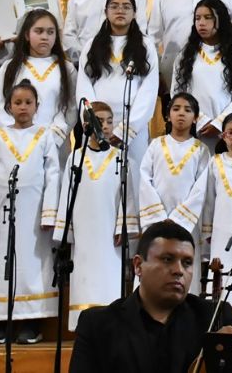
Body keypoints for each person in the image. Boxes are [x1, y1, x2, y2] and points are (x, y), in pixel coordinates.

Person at [69, 221, 232, 373]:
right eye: (167, 259)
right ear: (138, 266)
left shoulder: (214, 317)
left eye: (187, 263)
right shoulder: (97, 324)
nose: (178, 270)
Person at [0, 80, 62, 343]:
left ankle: (31, 322)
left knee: (33, 264)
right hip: (5, 212)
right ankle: (3, 321)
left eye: (28, 102)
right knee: (4, 263)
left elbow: (53, 176)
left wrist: (49, 213)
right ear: (8, 107)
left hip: (34, 216)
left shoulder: (45, 135)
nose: (23, 107)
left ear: (37, 106)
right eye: (17, 103)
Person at [176, 114, 232, 331]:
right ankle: (219, 323)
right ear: (223, 136)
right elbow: (208, 199)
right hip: (220, 233)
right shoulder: (215, 162)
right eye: (231, 133)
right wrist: (207, 230)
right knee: (219, 272)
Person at [54, 101, 138, 330]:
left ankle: (111, 323)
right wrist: (65, 231)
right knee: (83, 275)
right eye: (100, 121)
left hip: (110, 231)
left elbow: (127, 195)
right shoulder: (75, 157)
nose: (107, 126)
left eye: (110, 121)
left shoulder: (121, 158)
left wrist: (123, 225)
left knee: (110, 277)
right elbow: (67, 196)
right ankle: (83, 325)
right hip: (84, 231)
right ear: (87, 124)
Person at [77, 0, 160, 168]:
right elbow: (84, 85)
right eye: (114, 7)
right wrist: (95, 122)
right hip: (98, 122)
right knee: (98, 175)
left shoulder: (146, 46)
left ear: (135, 13)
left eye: (126, 7)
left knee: (132, 177)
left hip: (132, 127)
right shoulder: (92, 45)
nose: (120, 11)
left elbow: (149, 89)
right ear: (106, 11)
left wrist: (127, 129)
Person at [171, 0, 232, 154]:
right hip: (194, 127)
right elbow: (178, 92)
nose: (201, 23)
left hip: (227, 130)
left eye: (208, 18)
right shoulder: (186, 54)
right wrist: (200, 119)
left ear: (220, 20)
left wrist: (220, 123)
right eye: (197, 18)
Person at [0, 8, 77, 146]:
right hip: (16, 143)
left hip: (54, 144)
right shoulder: (10, 67)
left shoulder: (67, 69)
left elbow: (70, 107)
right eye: (39, 31)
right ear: (26, 35)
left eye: (50, 32)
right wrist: (15, 135)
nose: (45, 37)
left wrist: (53, 138)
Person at [138, 93, 212, 243]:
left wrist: (178, 218)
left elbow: (201, 188)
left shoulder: (201, 150)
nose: (181, 113)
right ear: (168, 116)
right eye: (176, 109)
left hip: (187, 222)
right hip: (157, 219)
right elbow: (145, 180)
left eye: (188, 110)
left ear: (196, 118)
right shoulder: (155, 144)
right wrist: (159, 216)